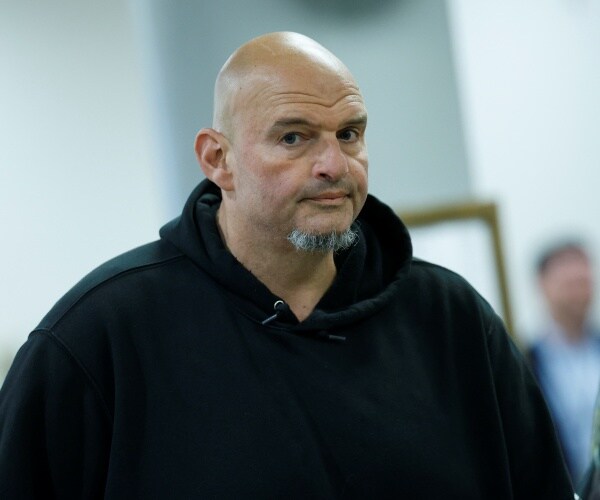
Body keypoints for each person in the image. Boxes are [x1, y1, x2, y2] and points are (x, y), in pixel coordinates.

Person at [0, 31, 573, 498]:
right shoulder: (97, 337)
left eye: (349, 134)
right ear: (217, 159)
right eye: (294, 138)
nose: (334, 165)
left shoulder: (451, 319)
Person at [528, 241, 600, 486]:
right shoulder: (528, 364)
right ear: (543, 285)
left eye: (583, 283)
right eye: (569, 285)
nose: (578, 294)